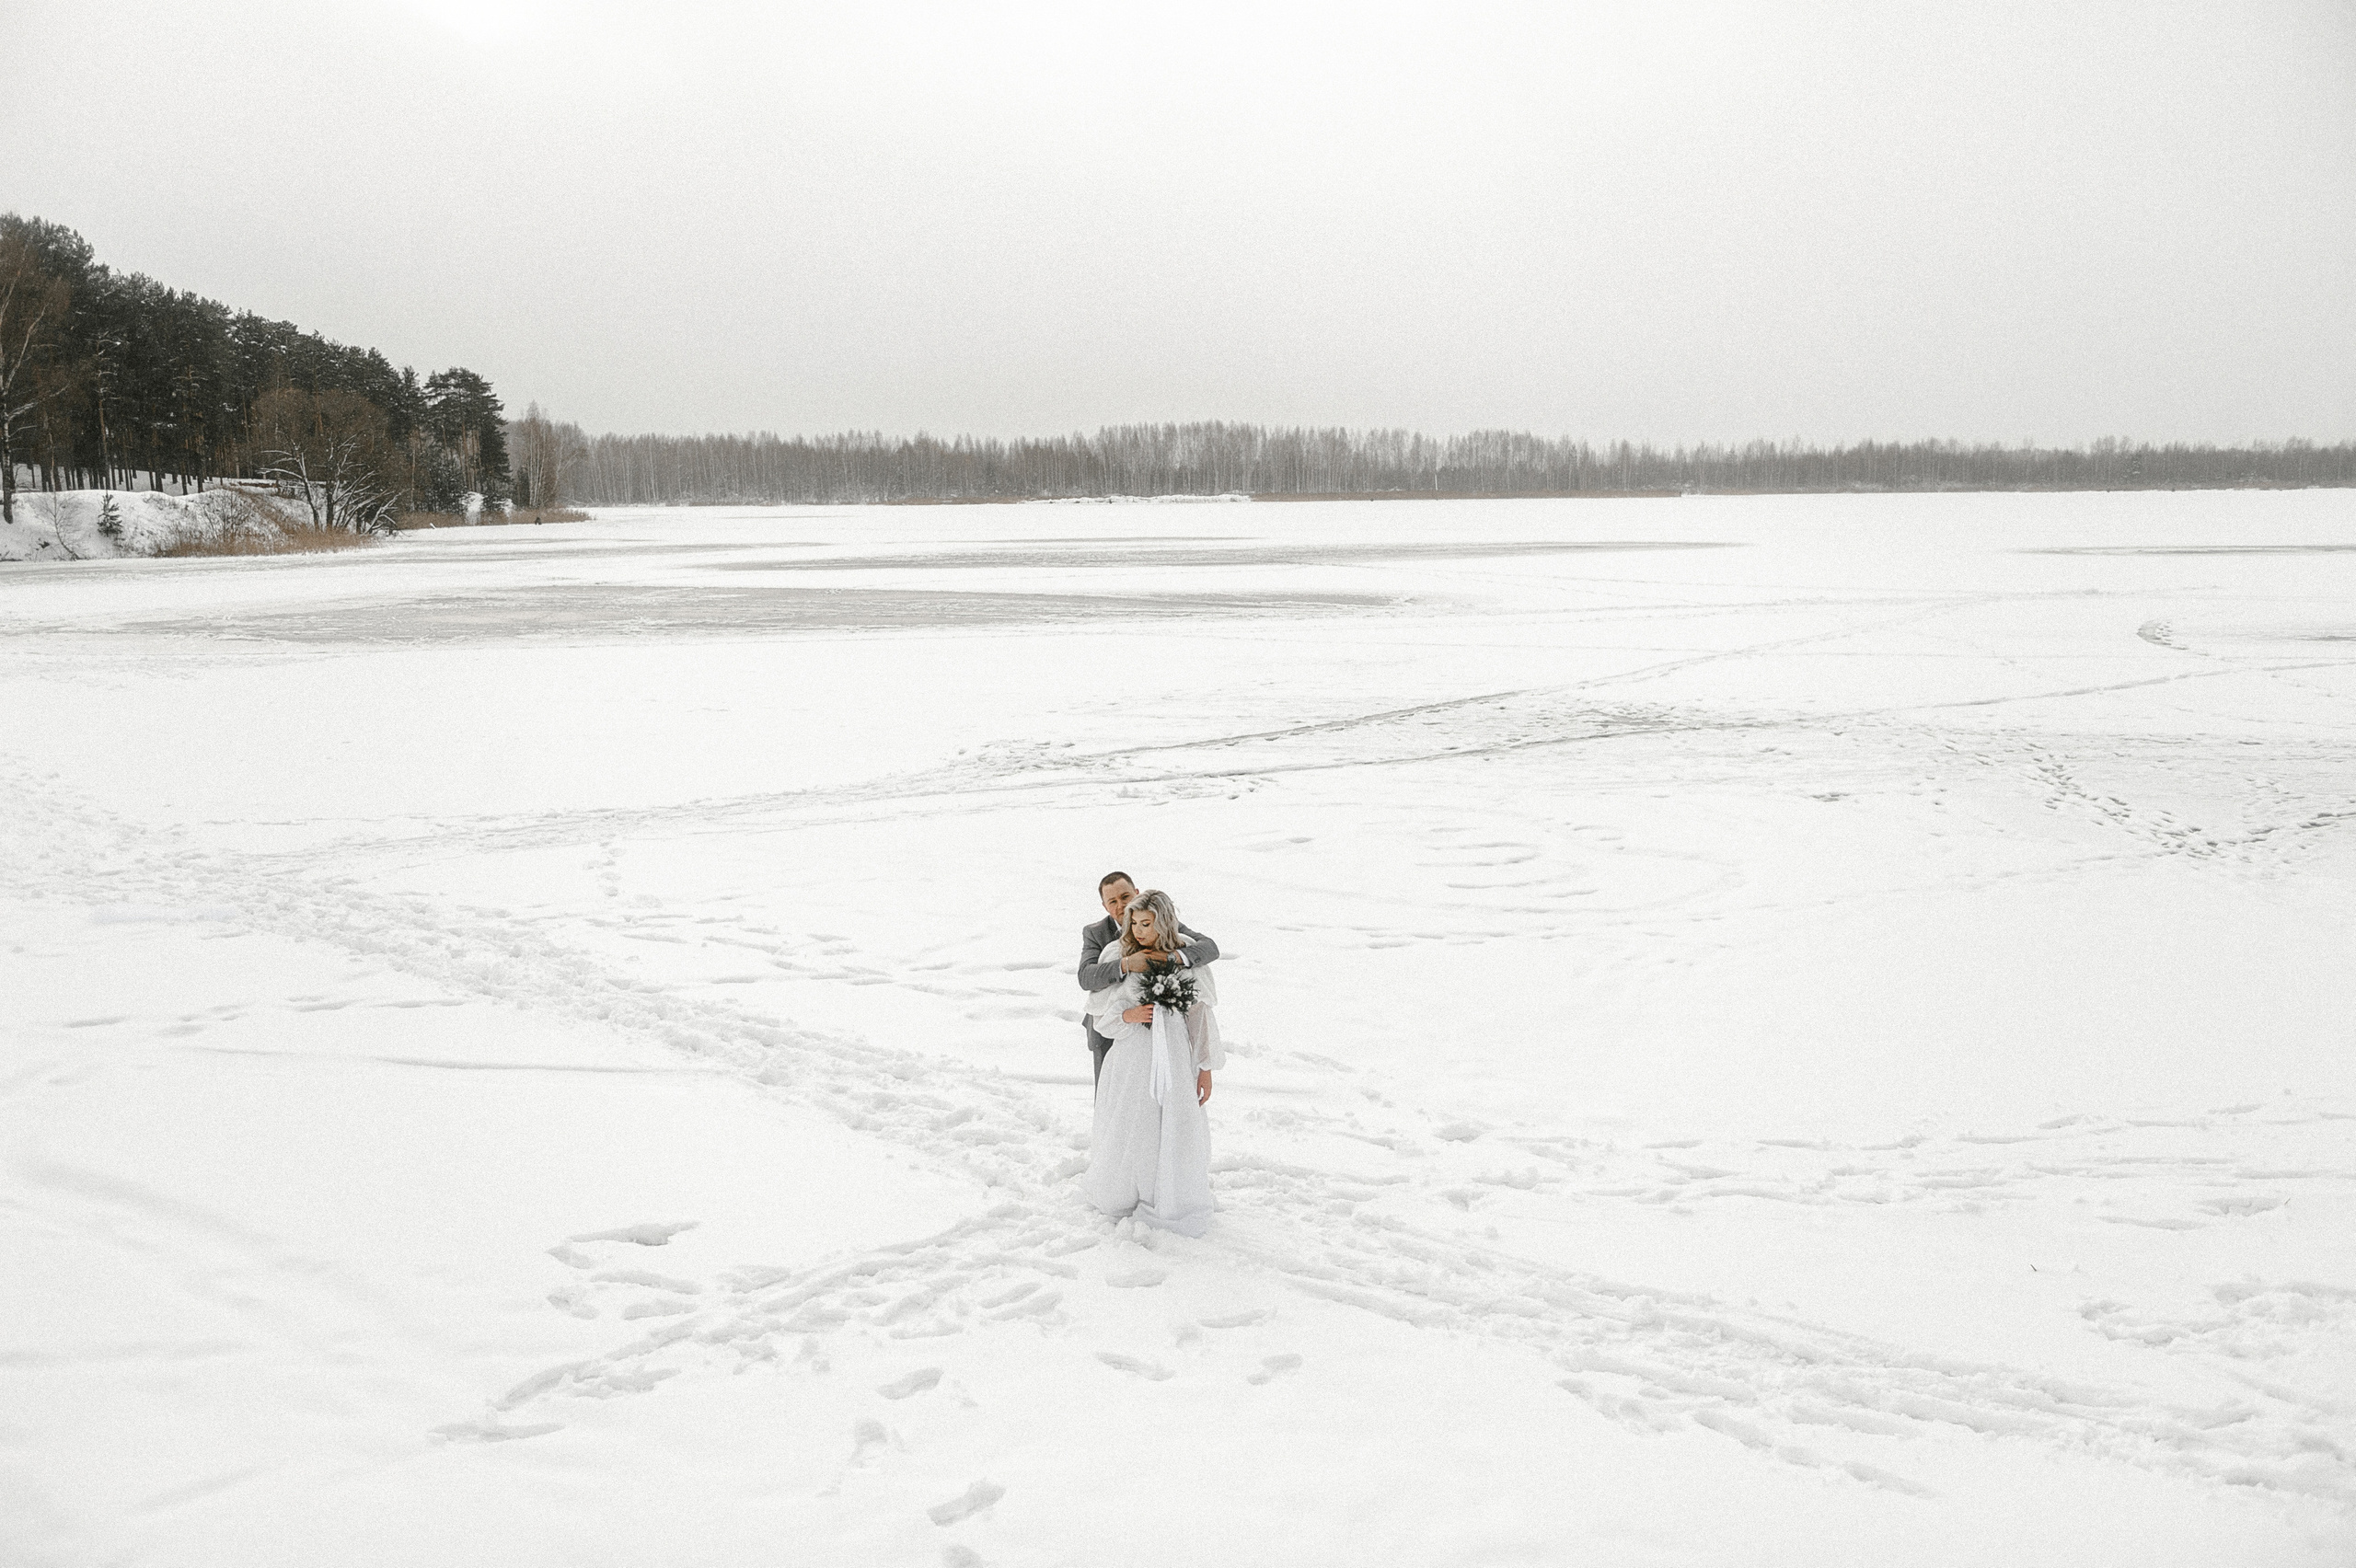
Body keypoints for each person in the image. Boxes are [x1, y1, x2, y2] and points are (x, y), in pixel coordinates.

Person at [1083, 889, 1222, 1235]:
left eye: (1147, 923)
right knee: (1134, 1120)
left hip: (1175, 1054)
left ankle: (1173, 1191)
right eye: (1134, 923)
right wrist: (1129, 1014)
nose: (1140, 931)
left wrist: (1204, 1067)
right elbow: (1103, 1015)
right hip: (1132, 1056)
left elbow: (1200, 1018)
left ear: (1163, 921)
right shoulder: (1119, 954)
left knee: (1174, 1119)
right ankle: (1127, 1191)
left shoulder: (1186, 955)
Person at [1077, 871, 1219, 1088]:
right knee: (1111, 1098)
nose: (1121, 906)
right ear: (1105, 906)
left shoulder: (1158, 920)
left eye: (1125, 897)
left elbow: (1209, 948)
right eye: (1112, 901)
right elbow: (1087, 977)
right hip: (1108, 1025)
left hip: (1161, 1033)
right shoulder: (1096, 933)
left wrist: (1172, 958)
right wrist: (1127, 964)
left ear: (1136, 893)